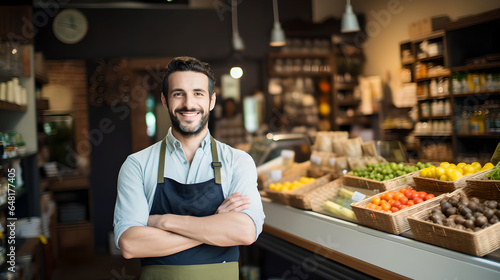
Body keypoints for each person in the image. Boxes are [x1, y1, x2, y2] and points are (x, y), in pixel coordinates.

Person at [113, 56, 265, 280]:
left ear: (212, 101)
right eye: (178, 94)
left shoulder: (238, 161)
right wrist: (215, 223)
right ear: (165, 101)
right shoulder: (137, 164)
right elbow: (130, 244)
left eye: (198, 93)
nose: (188, 104)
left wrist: (162, 221)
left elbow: (245, 231)